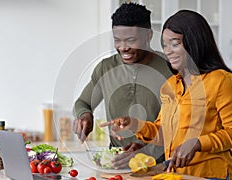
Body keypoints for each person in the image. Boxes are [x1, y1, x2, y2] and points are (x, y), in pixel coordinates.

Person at [100, 10, 232, 180]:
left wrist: (198, 143)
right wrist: (134, 124)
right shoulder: (170, 85)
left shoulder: (221, 80)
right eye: (165, 45)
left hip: (212, 176)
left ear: (194, 42)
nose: (168, 51)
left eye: (175, 43)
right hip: (176, 177)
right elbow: (163, 133)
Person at [73, 2, 173, 168]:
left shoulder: (171, 69)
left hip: (161, 166)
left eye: (131, 40)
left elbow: (183, 127)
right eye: (117, 40)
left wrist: (147, 152)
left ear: (148, 35)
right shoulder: (106, 68)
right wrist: (84, 115)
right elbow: (83, 103)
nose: (123, 48)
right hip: (117, 165)